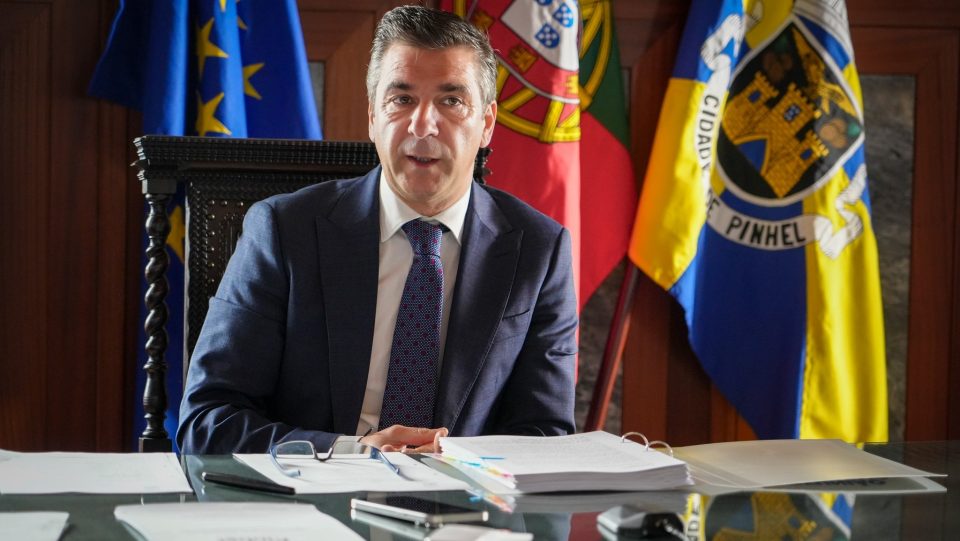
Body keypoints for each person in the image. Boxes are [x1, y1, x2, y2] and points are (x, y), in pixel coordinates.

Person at [178, 5, 577, 455]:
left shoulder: (539, 250)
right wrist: (354, 453)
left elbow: (545, 438)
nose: (423, 125)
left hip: (466, 497)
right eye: (401, 99)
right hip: (318, 492)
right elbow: (208, 421)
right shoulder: (284, 231)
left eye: (451, 101)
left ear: (486, 123)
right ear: (372, 117)